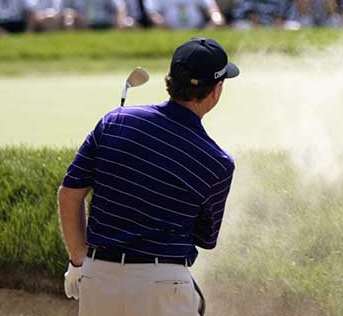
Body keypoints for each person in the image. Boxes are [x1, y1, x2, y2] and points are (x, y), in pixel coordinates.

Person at [59, 37, 238, 315]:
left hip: (99, 279)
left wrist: (78, 261)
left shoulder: (114, 122)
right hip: (163, 288)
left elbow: (69, 195)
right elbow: (204, 237)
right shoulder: (217, 162)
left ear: (170, 80)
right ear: (216, 91)